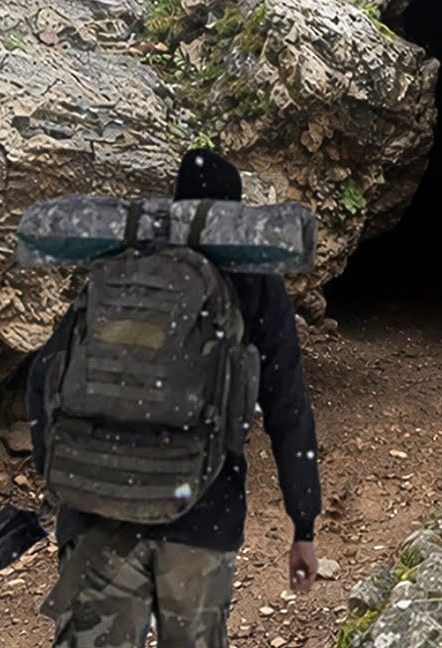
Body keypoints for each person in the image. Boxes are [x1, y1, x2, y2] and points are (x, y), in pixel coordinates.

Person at [27, 149, 322, 647]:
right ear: (229, 212)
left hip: (99, 509)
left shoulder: (121, 264)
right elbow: (287, 407)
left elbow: (43, 377)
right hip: (202, 514)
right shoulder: (254, 281)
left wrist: (62, 479)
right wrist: (303, 523)